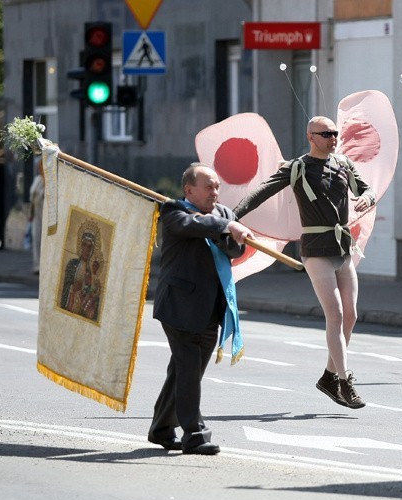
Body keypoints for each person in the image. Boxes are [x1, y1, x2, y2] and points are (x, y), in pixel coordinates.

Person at [233, 116, 375, 409]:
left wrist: (368, 199)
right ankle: (345, 381)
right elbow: (263, 191)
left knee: (351, 316)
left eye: (335, 133)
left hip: (342, 246)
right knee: (334, 314)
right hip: (316, 249)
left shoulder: (343, 164)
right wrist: (233, 216)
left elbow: (367, 190)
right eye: (326, 133)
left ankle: (328, 376)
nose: (333, 137)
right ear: (311, 136)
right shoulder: (297, 168)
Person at [149, 163, 252, 455]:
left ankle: (160, 429)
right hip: (179, 306)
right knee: (188, 368)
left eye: (217, 186)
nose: (215, 192)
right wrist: (225, 227)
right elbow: (189, 226)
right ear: (189, 189)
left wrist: (230, 231)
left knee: (185, 372)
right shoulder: (172, 211)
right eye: (209, 186)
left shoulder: (225, 214)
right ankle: (194, 434)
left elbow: (235, 251)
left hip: (211, 307)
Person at [29, 161, 45, 274]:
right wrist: (31, 213)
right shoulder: (38, 179)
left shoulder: (53, 180)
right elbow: (32, 197)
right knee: (36, 238)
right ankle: (37, 265)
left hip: (46, 215)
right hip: (37, 215)